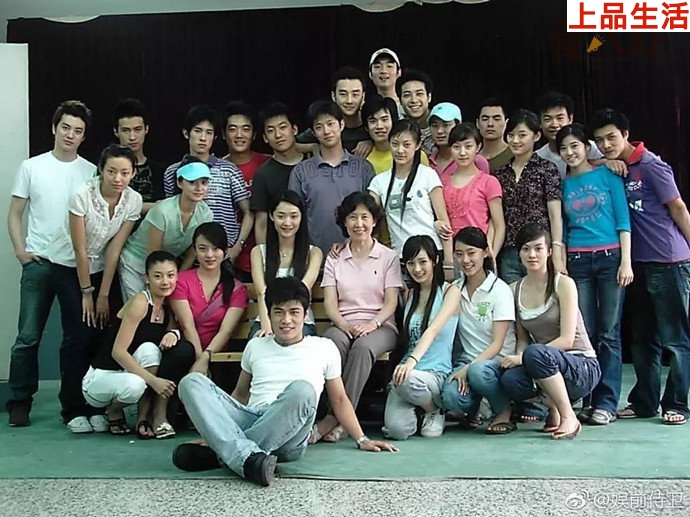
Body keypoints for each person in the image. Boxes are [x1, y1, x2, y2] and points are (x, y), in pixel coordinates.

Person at [172, 276, 398, 486]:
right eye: (278, 312)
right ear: (269, 314)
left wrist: (361, 438)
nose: (286, 320)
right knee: (191, 383)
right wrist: (217, 427)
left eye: (294, 312)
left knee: (303, 390)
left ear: (305, 314)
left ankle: (225, 452)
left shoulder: (324, 347)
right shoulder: (255, 345)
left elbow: (339, 399)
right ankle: (246, 458)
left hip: (292, 434)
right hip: (252, 418)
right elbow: (240, 394)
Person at [591, 108, 690, 425]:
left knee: (675, 339)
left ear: (625, 134)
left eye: (611, 138)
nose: (606, 145)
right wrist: (603, 162)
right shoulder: (613, 168)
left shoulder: (651, 166)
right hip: (636, 265)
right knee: (643, 339)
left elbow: (678, 208)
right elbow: (583, 164)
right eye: (599, 140)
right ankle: (645, 402)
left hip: (669, 261)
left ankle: (677, 404)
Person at [6, 100, 96, 429]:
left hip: (74, 267)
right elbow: (15, 214)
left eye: (78, 130)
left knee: (76, 338)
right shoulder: (32, 167)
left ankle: (74, 403)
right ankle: (19, 401)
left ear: (84, 136)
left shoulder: (91, 171)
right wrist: (21, 252)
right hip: (39, 263)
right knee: (28, 336)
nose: (70, 135)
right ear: (54, 128)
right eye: (65, 128)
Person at [46, 145, 143, 433]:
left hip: (102, 268)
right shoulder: (82, 195)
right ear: (100, 170)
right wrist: (87, 292)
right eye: (111, 171)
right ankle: (72, 407)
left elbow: (114, 249)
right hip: (67, 265)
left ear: (133, 173)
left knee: (102, 332)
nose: (117, 178)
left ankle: (95, 405)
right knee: (78, 334)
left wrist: (103, 295)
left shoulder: (133, 200)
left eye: (124, 172)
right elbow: (80, 249)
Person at [557, 124, 632, 426]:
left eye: (575, 146)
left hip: (610, 257)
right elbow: (563, 229)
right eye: (564, 148)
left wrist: (626, 261)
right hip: (578, 261)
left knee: (609, 332)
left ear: (587, 147)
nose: (570, 152)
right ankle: (587, 398)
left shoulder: (607, 175)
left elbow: (623, 219)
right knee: (584, 333)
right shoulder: (563, 184)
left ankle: (607, 403)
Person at [312, 192, 403, 442]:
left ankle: (335, 419)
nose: (359, 223)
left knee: (363, 348)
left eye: (365, 217)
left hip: (381, 325)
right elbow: (330, 303)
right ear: (344, 222)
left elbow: (391, 302)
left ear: (374, 221)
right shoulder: (335, 257)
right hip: (343, 323)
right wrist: (343, 324)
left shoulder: (388, 257)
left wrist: (372, 323)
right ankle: (335, 417)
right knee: (331, 343)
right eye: (353, 217)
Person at [500, 223, 601, 440]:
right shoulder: (513, 290)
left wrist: (524, 358)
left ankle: (568, 416)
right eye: (526, 249)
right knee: (510, 379)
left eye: (538, 248)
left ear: (549, 251)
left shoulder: (563, 284)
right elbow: (523, 339)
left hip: (581, 365)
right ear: (519, 253)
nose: (532, 255)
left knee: (535, 353)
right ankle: (553, 407)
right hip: (543, 362)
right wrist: (521, 356)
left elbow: (566, 339)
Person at [83, 251, 196, 439]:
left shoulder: (167, 305)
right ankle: (113, 409)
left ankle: (142, 419)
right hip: (101, 377)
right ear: (147, 279)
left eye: (170, 275)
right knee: (136, 384)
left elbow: (171, 326)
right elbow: (118, 352)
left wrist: (173, 332)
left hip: (128, 374)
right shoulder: (140, 302)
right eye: (158, 276)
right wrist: (154, 381)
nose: (165, 282)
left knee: (150, 350)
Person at [436, 227, 517, 434]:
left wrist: (468, 368)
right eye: (459, 254)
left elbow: (497, 344)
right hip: (467, 360)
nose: (465, 260)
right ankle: (476, 410)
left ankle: (504, 411)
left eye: (471, 253)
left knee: (478, 372)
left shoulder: (500, 290)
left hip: (497, 362)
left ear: (485, 252)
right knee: (450, 397)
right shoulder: (455, 289)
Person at [383, 236, 455, 440]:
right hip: (406, 376)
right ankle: (420, 408)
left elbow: (432, 330)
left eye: (423, 261)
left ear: (435, 261)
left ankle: (434, 409)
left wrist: (411, 363)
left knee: (407, 381)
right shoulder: (409, 295)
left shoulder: (450, 291)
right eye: (411, 263)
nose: (417, 269)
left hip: (434, 373)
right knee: (396, 431)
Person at [162, 105, 253, 266]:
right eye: (198, 131)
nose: (203, 138)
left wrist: (237, 248)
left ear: (215, 137)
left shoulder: (229, 170)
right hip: (185, 258)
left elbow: (248, 212)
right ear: (186, 133)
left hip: (223, 255)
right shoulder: (173, 172)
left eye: (209, 132)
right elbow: (171, 215)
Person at [288, 100, 375, 254]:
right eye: (319, 127)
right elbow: (293, 216)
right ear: (313, 133)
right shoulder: (301, 171)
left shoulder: (363, 167)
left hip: (358, 255)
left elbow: (374, 214)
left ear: (341, 125)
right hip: (315, 258)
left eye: (330, 124)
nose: (326, 131)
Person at [119, 158, 213, 300]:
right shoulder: (163, 211)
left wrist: (178, 278)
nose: (199, 188)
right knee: (140, 306)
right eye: (192, 182)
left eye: (204, 182)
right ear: (180, 183)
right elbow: (154, 253)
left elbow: (193, 251)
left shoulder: (206, 214)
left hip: (165, 269)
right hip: (135, 263)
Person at [492, 109, 564, 283]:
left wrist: (556, 248)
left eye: (522, 135)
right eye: (511, 135)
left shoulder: (547, 169)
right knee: (513, 298)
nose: (515, 140)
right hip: (510, 252)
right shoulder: (499, 175)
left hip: (539, 249)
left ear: (536, 136)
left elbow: (555, 215)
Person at [368, 119, 453, 263]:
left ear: (417, 145)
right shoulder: (378, 182)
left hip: (431, 255)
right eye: (395, 144)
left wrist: (449, 263)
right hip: (401, 257)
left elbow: (443, 222)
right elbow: (369, 220)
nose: (400, 150)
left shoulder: (428, 175)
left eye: (406, 145)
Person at [169, 222, 249, 375]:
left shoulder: (237, 289)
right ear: (194, 251)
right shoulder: (181, 281)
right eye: (202, 249)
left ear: (225, 250)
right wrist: (199, 360)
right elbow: (187, 326)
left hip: (217, 356)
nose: (209, 255)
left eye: (216, 248)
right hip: (186, 353)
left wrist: (205, 358)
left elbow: (226, 331)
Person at [249, 190, 322, 338]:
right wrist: (267, 326)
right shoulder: (258, 252)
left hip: (300, 322)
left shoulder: (314, 253)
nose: (287, 222)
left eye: (293, 216)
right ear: (272, 216)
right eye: (281, 216)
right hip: (266, 319)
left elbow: (302, 290)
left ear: (301, 217)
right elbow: (262, 292)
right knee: (259, 342)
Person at [220, 101, 270, 282]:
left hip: (266, 256)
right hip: (228, 258)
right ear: (223, 134)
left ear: (255, 134)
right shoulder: (217, 170)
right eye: (232, 129)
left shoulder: (268, 164)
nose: (239, 135)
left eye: (246, 129)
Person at [444, 123, 505, 256]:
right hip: (452, 254)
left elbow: (499, 225)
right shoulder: (442, 182)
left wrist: (491, 255)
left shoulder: (488, 182)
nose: (462, 152)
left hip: (479, 253)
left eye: (468, 146)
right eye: (456, 147)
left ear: (478, 147)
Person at [251, 103, 307, 244]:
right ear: (265, 138)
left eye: (283, 127)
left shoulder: (313, 163)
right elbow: (261, 223)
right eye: (271, 130)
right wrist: (263, 253)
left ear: (294, 129)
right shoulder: (263, 174)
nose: (278, 135)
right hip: (280, 249)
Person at [297, 67, 372, 155]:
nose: (349, 101)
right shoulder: (326, 124)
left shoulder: (372, 122)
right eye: (343, 94)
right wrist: (312, 147)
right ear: (333, 96)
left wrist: (374, 142)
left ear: (363, 96)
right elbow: (291, 144)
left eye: (355, 94)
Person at [112, 98, 165, 214]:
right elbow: (108, 205)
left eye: (137, 129)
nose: (132, 137)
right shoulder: (108, 168)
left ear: (146, 129)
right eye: (126, 130)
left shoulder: (159, 170)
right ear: (116, 131)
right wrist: (149, 207)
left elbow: (164, 207)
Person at [534, 91, 603, 178]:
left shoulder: (592, 148)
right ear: (540, 122)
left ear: (570, 118)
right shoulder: (538, 158)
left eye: (560, 118)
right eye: (547, 119)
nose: (554, 124)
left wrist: (604, 161)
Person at [427, 102, 490, 178]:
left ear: (458, 125)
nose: (439, 131)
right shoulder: (426, 161)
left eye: (446, 125)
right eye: (435, 126)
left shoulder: (477, 161)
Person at [396, 69, 436, 155]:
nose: (414, 100)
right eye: (407, 95)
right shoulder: (395, 124)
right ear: (400, 100)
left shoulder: (442, 125)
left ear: (429, 97)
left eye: (419, 94)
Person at [476, 98, 513, 172]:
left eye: (496, 119)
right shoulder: (470, 158)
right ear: (477, 123)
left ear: (506, 123)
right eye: (485, 119)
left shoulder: (515, 156)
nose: (490, 124)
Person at [368, 48, 405, 119]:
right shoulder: (367, 107)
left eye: (389, 66)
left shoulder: (406, 105)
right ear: (370, 74)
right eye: (377, 66)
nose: (384, 71)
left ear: (399, 72)